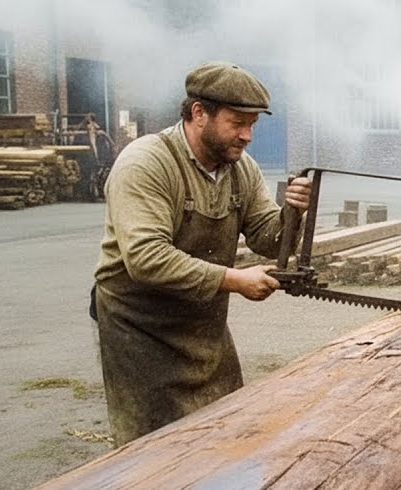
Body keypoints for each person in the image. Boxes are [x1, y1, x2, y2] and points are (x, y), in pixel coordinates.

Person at [93, 61, 312, 446]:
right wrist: (234, 280)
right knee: (154, 449)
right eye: (237, 122)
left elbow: (267, 238)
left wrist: (292, 213)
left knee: (224, 435)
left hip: (202, 325)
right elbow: (146, 257)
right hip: (141, 328)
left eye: (252, 125)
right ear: (199, 113)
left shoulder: (241, 169)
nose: (247, 135)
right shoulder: (146, 163)